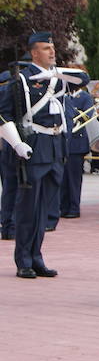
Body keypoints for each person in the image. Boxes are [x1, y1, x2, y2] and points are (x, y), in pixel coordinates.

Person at [1, 33, 89, 278]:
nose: (52, 52)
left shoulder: (57, 78)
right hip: (33, 145)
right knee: (28, 207)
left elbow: (84, 78)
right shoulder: (21, 79)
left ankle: (37, 256)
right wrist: (17, 143)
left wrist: (55, 71)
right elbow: (3, 114)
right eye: (45, 48)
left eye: (52, 47)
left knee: (46, 209)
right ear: (33, 52)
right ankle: (24, 260)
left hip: (55, 147)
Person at [57, 80, 95, 221]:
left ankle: (74, 207)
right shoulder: (63, 96)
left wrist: (69, 108)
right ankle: (63, 206)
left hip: (77, 142)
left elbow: (86, 116)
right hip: (63, 141)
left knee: (73, 179)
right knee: (63, 177)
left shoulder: (85, 97)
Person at [0, 70, 16, 240]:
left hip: (7, 146)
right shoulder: (11, 93)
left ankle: (7, 224)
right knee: (14, 187)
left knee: (8, 188)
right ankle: (11, 225)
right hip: (11, 146)